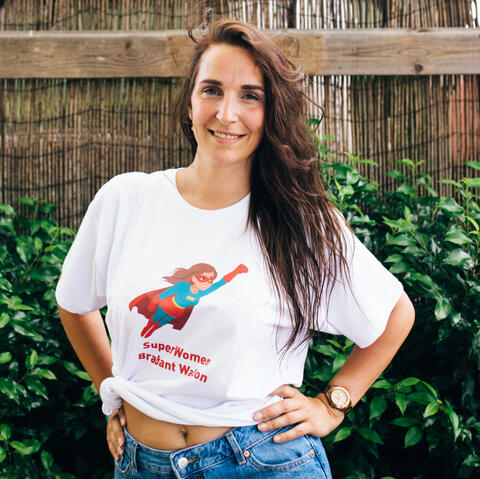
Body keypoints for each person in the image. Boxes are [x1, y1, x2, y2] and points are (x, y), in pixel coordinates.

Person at [56, 19, 415, 478]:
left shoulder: (299, 221)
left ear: (272, 112)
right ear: (189, 102)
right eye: (211, 90)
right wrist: (112, 390)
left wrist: (332, 403)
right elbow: (74, 303)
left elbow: (395, 315)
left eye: (250, 96)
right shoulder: (125, 200)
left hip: (261, 460)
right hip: (142, 463)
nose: (227, 114)